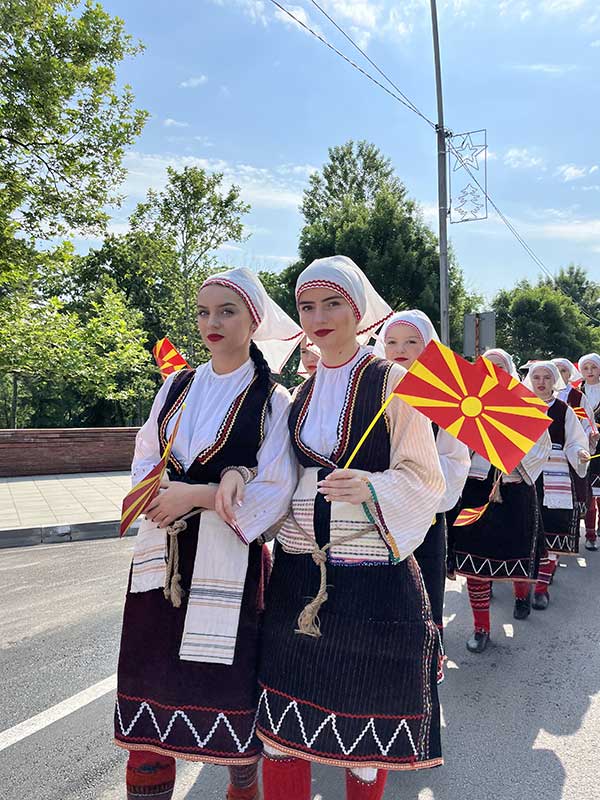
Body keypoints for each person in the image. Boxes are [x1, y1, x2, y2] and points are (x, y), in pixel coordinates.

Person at [255, 255, 446, 800]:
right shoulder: (299, 395)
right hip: (297, 576)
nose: (319, 316)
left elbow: (425, 480)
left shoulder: (394, 382)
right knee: (282, 731)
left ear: (358, 311)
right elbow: (277, 476)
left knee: (363, 735)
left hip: (370, 580)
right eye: (307, 306)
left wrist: (372, 487)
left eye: (332, 303)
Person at [114, 267, 300, 800]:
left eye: (227, 311)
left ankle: (242, 789)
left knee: (225, 689)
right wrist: (154, 499)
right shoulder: (176, 384)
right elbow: (146, 453)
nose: (211, 322)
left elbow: (275, 488)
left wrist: (194, 496)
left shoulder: (273, 399)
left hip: (229, 562)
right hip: (163, 551)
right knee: (149, 688)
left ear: (253, 320)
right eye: (203, 311)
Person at [375, 309, 470, 680]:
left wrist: (412, 485)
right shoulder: (375, 390)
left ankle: (421, 677)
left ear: (428, 347)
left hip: (424, 521)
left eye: (411, 342)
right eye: (392, 342)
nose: (400, 349)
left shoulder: (442, 400)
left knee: (421, 598)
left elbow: (454, 460)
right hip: (375, 517)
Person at [447, 348, 551, 653]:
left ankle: (521, 596)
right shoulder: (468, 404)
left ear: (508, 371)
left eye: (498, 367)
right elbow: (454, 446)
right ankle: (481, 628)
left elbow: (539, 447)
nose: (491, 372)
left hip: (514, 489)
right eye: (486, 367)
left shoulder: (526, 403)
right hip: (476, 489)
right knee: (473, 560)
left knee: (516, 552)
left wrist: (507, 451)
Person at [523, 361, 590, 608]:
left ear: (554, 382)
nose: (541, 382)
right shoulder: (520, 407)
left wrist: (580, 452)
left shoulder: (564, 410)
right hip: (526, 475)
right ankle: (523, 588)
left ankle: (541, 588)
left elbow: (574, 441)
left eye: (546, 378)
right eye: (536, 377)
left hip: (554, 477)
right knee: (525, 532)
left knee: (551, 534)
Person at [579, 353, 600, 550]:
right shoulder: (576, 392)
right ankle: (590, 533)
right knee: (589, 495)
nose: (590, 372)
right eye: (585, 368)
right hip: (584, 447)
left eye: (593, 367)